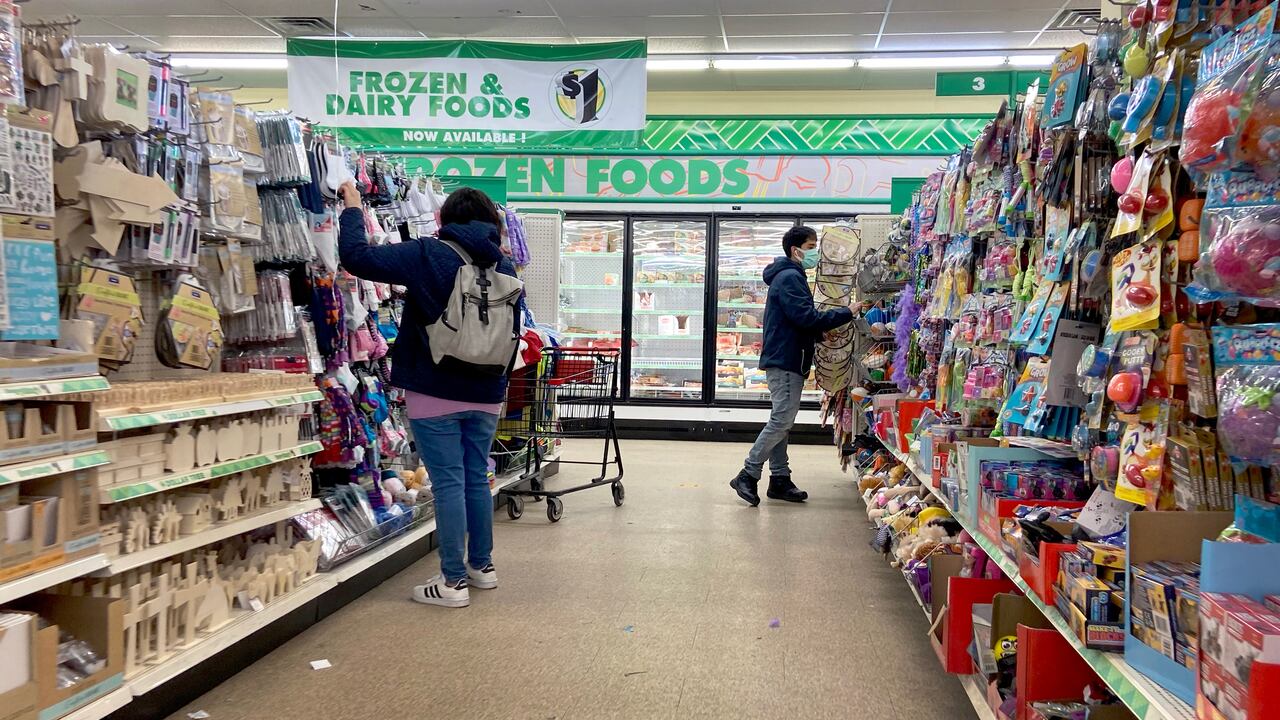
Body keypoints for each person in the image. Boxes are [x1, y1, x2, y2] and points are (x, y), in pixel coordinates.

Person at [337, 180, 517, 608]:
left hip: (435, 386)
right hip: (488, 388)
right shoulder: (504, 265)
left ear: (443, 218)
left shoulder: (428, 254)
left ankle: (452, 582)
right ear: (492, 223)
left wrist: (352, 208)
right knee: (476, 476)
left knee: (450, 481)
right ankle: (481, 567)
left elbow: (356, 257)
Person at [729, 225, 852, 506]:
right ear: (796, 250)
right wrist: (846, 312)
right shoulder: (789, 278)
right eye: (811, 247)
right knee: (782, 419)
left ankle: (780, 479)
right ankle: (748, 474)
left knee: (782, 421)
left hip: (787, 355)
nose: (815, 252)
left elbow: (796, 320)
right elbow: (806, 317)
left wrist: (820, 333)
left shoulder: (789, 276)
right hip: (785, 359)